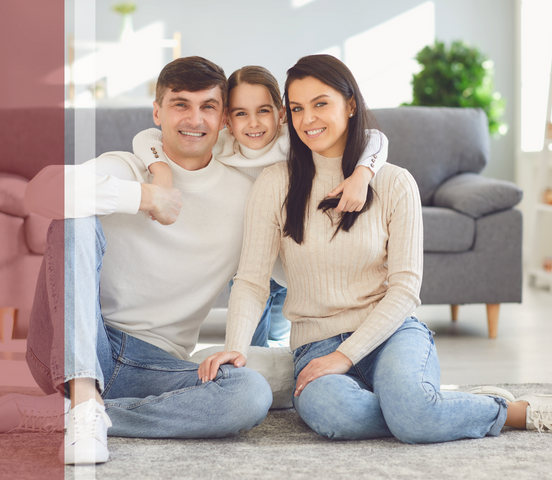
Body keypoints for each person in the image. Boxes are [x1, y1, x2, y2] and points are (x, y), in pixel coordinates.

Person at [198, 54, 552, 442]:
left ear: (350, 105)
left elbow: (405, 291)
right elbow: (250, 282)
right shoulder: (275, 183)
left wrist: (345, 356)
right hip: (314, 345)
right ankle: (423, 407)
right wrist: (235, 348)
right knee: (340, 415)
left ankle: (514, 411)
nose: (307, 119)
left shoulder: (395, 183)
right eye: (297, 108)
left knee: (412, 416)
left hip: (391, 334)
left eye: (320, 104)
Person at [0, 56, 274, 465]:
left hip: (153, 364)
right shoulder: (125, 166)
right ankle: (83, 397)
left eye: (207, 106)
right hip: (72, 342)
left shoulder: (248, 196)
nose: (194, 118)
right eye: (180, 104)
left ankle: (75, 414)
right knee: (74, 215)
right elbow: (40, 192)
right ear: (157, 112)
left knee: (250, 394)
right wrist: (145, 196)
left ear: (224, 118)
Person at [132, 65, 388, 348]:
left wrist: (362, 175)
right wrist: (162, 173)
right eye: (241, 113)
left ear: (281, 114)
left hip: (295, 262)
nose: (253, 123)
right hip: (252, 264)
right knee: (252, 345)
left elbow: (375, 137)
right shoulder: (221, 145)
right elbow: (147, 137)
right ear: (226, 120)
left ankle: (279, 342)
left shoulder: (293, 141)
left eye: (263, 111)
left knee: (280, 332)